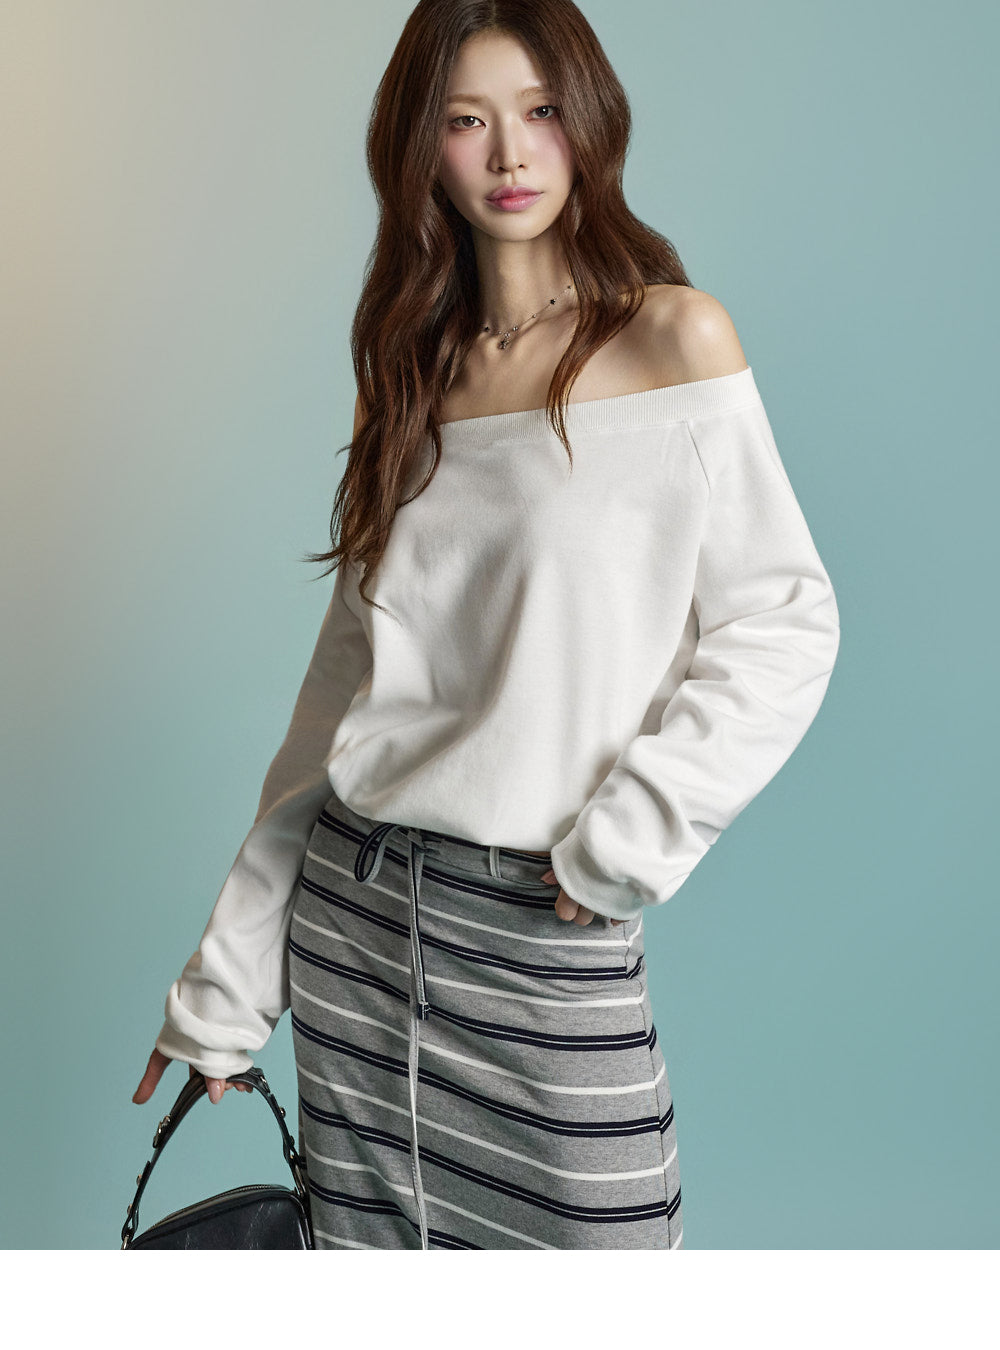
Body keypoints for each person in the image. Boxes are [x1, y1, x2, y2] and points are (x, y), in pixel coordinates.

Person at [132, 0, 840, 1251]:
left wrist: (626, 838)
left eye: (540, 111)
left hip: (538, 929)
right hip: (355, 936)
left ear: (588, 121)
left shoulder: (671, 338)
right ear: (423, 148)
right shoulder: (411, 374)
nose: (510, 153)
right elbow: (339, 697)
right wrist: (226, 989)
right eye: (467, 121)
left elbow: (783, 621)